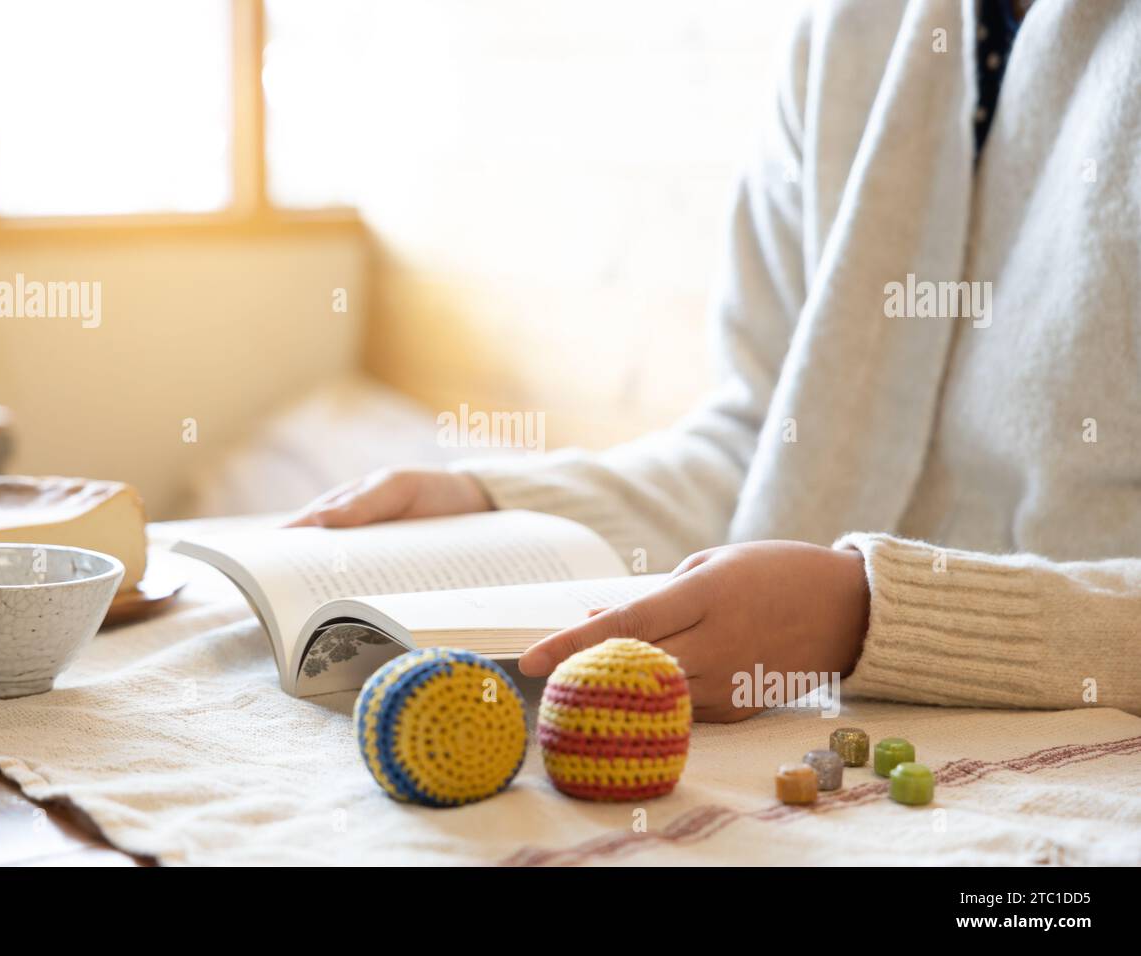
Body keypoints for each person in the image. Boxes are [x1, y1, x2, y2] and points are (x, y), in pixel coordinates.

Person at [288, 0, 1141, 721]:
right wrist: (504, 508)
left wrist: (872, 614)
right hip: (819, 744)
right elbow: (763, 435)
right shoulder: (849, 31)